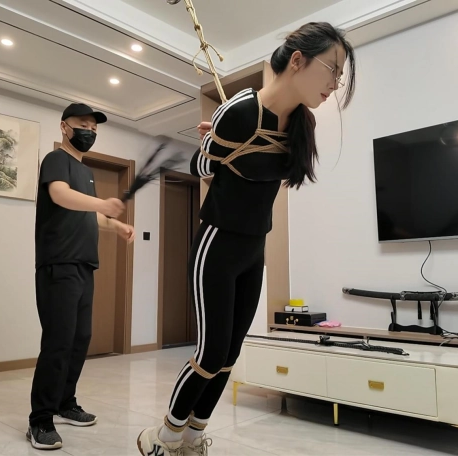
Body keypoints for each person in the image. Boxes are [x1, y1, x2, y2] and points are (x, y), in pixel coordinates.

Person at [137, 22, 356, 456]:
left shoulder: (303, 122)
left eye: (340, 76)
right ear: (298, 60)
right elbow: (202, 170)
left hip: (254, 249)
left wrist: (240, 149)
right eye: (333, 70)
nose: (336, 84)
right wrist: (217, 145)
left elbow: (282, 174)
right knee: (211, 352)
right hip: (217, 245)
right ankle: (163, 438)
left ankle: (193, 437)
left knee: (231, 354)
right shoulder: (238, 111)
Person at [27, 102, 136, 451]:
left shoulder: (85, 172)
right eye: (83, 124)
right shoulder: (56, 160)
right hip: (58, 263)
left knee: (80, 338)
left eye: (94, 126)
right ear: (64, 127)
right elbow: (60, 195)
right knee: (58, 341)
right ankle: (40, 420)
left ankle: (65, 402)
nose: (90, 130)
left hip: (84, 264)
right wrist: (102, 204)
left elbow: (89, 213)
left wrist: (115, 225)